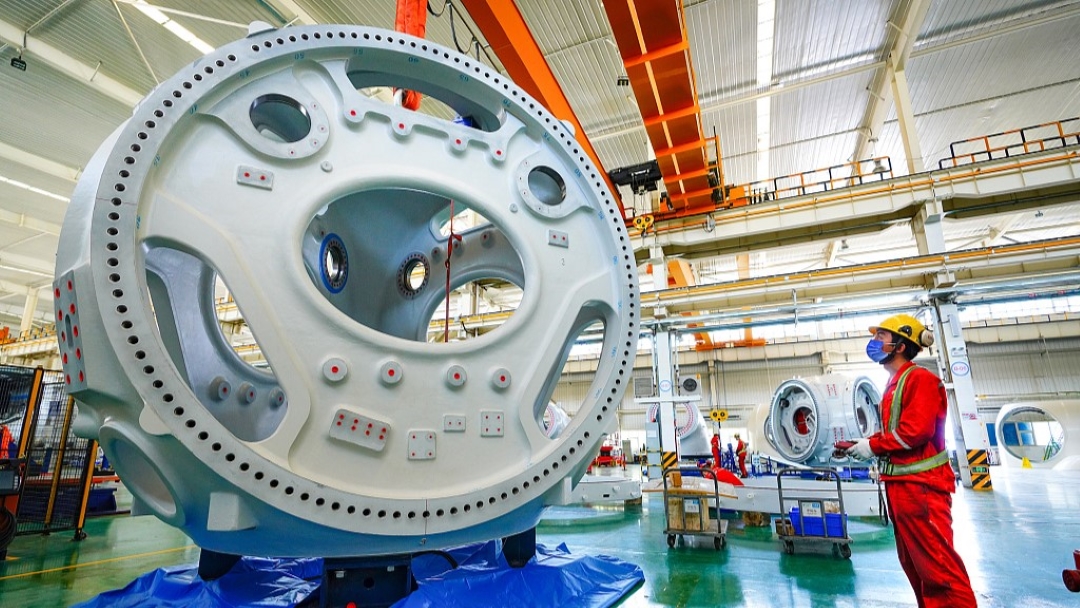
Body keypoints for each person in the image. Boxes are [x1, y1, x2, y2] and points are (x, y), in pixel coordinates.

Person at [847, 313, 977, 608]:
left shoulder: (919, 379)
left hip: (922, 488)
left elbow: (915, 432)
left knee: (939, 571)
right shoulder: (894, 384)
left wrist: (873, 446)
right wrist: (863, 445)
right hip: (902, 487)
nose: (874, 342)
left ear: (901, 344)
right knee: (916, 567)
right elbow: (898, 434)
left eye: (881, 336)